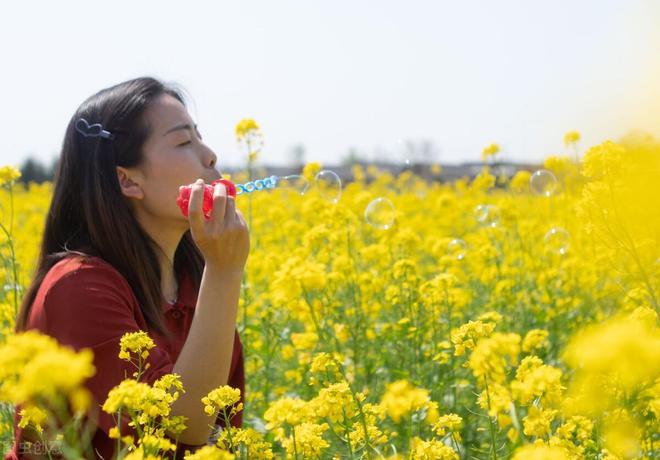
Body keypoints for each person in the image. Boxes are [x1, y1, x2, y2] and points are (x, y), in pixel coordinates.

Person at [5, 76, 250, 459]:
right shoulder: (78, 288)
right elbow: (180, 431)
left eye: (200, 137)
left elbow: (220, 435)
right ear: (127, 180)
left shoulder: (192, 281)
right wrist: (224, 271)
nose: (210, 156)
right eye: (184, 142)